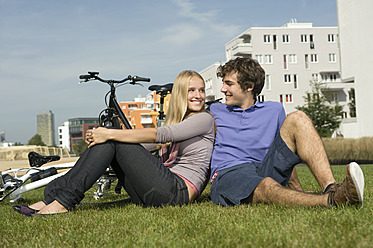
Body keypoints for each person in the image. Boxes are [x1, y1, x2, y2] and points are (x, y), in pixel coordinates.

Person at [13, 70, 215, 216]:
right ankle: (53, 199)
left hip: (176, 193)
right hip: (158, 192)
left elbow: (162, 134)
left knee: (113, 137)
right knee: (111, 141)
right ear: (180, 93)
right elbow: (142, 149)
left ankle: (62, 201)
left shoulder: (203, 119)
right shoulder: (182, 121)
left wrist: (110, 134)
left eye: (201, 90)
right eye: (191, 90)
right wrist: (102, 140)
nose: (198, 95)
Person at [208, 57, 364, 207]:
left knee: (299, 117)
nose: (223, 89)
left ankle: (331, 188)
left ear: (249, 86)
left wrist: (297, 189)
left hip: (263, 168)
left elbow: (284, 154)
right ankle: (332, 201)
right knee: (267, 185)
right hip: (230, 173)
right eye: (223, 83)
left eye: (229, 84)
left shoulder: (274, 110)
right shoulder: (215, 110)